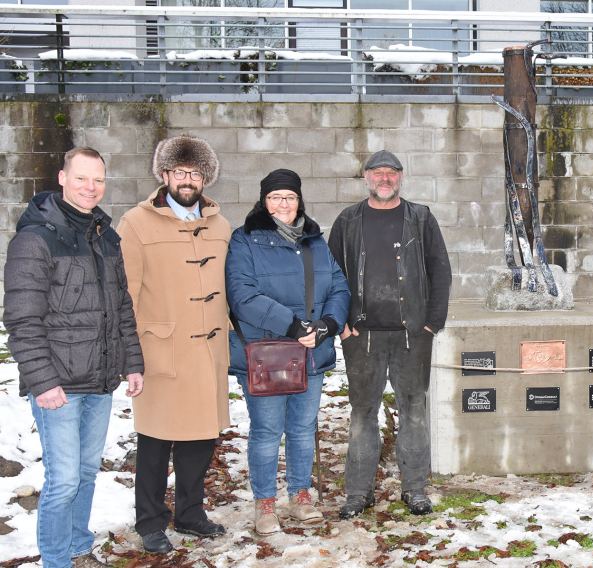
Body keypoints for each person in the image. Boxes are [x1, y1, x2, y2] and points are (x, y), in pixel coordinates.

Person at [3, 147, 144, 568]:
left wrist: (132, 361)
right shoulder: (35, 238)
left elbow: (121, 305)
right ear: (62, 178)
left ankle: (79, 547)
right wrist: (43, 382)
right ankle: (56, 561)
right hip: (58, 385)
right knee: (62, 481)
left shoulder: (103, 235)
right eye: (81, 178)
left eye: (98, 179)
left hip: (99, 380)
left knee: (85, 474)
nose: (91, 187)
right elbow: (22, 319)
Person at [118, 135, 232, 554]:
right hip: (160, 351)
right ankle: (149, 520)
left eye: (195, 172)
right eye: (180, 171)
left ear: (206, 177)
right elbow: (124, 293)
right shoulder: (135, 223)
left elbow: (231, 287)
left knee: (200, 439)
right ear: (164, 175)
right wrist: (128, 352)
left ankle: (189, 513)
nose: (187, 179)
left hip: (208, 352)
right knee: (155, 441)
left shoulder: (221, 226)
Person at [328, 150, 452, 519]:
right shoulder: (348, 220)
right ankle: (358, 493)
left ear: (401, 177)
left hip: (411, 336)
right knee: (362, 413)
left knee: (414, 410)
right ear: (366, 177)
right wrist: (342, 323)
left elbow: (440, 271)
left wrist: (432, 322)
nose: (385, 179)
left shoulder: (421, 218)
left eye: (391, 173)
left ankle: (414, 489)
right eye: (378, 173)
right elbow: (331, 275)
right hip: (361, 336)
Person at [226, 169, 350, 535]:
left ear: (300, 201)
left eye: (290, 197)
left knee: (302, 428)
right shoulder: (244, 240)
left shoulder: (315, 240)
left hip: (311, 354)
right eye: (276, 197)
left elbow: (339, 287)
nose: (284, 203)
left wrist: (328, 325)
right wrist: (293, 326)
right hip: (267, 353)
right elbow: (242, 296)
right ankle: (264, 503)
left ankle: (300, 496)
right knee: (266, 430)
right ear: (264, 201)